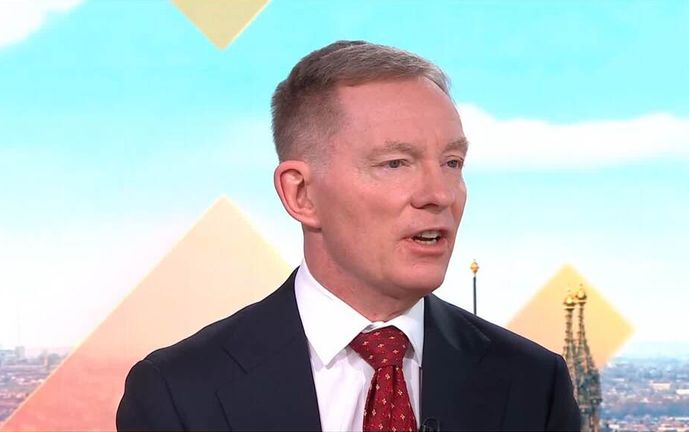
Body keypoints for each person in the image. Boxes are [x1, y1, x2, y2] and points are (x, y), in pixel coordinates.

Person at [116, 40, 581, 432]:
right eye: (395, 163)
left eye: (452, 163)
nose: (439, 194)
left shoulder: (534, 384)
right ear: (302, 194)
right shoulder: (179, 394)